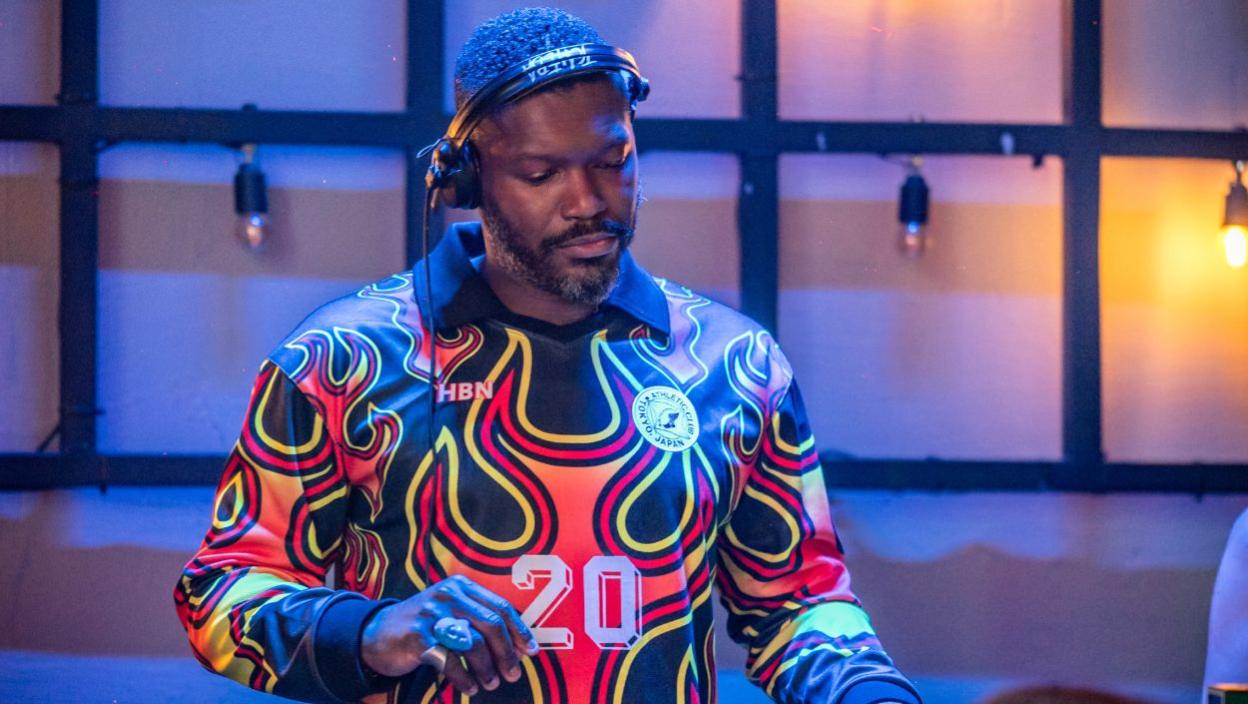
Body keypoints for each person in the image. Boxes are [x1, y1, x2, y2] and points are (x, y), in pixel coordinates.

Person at [173, 8, 920, 704]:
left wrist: (871, 693)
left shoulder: (738, 364)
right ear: (468, 178)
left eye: (613, 161)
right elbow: (219, 595)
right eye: (541, 175)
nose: (587, 201)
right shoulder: (341, 361)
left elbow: (799, 603)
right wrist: (370, 631)